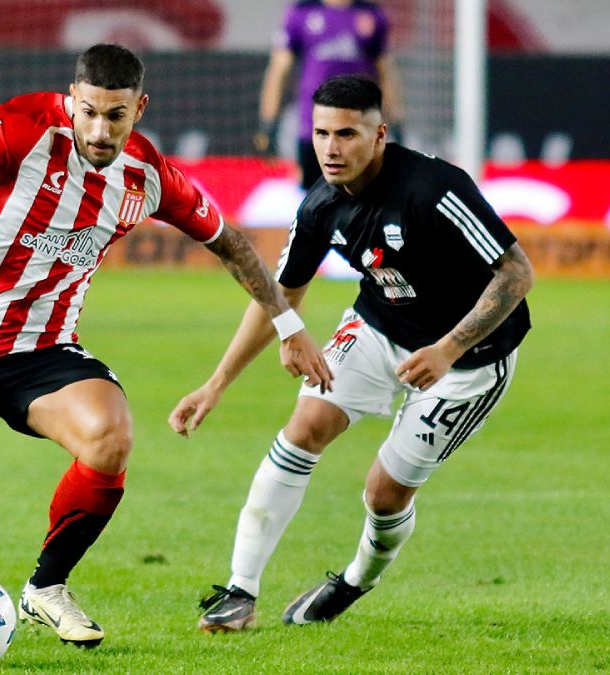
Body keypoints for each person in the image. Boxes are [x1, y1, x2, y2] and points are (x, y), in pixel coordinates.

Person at [0, 43, 332, 647]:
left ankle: (46, 588)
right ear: (71, 100)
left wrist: (289, 327)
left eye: (115, 115)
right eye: (88, 112)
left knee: (111, 436)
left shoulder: (148, 175)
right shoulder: (27, 126)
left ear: (140, 108)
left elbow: (232, 243)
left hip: (42, 350)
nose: (100, 129)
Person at [172, 75, 532, 632]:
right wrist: (216, 383)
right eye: (320, 133)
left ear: (379, 134)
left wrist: (449, 347)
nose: (331, 148)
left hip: (469, 358)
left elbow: (516, 272)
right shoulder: (318, 205)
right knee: (304, 425)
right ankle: (239, 593)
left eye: (346, 133)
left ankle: (355, 580)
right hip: (378, 325)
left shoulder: (435, 188)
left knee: (383, 493)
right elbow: (279, 294)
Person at [255, 0, 404, 191]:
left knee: (361, 199)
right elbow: (279, 71)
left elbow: (386, 74)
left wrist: (397, 123)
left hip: (359, 131)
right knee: (315, 198)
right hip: (315, 131)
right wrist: (268, 124)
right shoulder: (302, 12)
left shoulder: (372, 15)